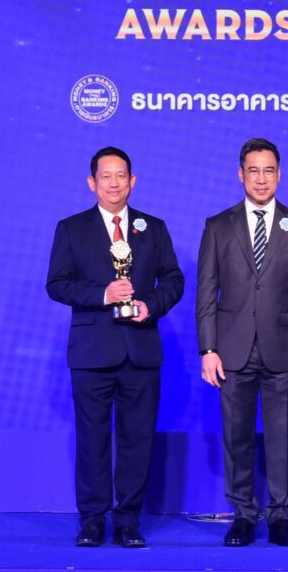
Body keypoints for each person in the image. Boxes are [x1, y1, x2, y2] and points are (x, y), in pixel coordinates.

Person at [46, 147, 184, 548]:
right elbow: (57, 285)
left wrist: (150, 305)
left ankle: (128, 521)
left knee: (137, 439)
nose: (113, 183)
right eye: (105, 176)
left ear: (132, 181)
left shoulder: (152, 228)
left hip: (140, 350)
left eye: (121, 175)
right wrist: (103, 294)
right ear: (92, 183)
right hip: (91, 352)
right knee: (92, 440)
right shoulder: (72, 228)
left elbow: (173, 280)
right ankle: (92, 520)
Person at [196, 138, 288, 547]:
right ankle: (244, 516)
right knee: (236, 437)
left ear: (279, 175)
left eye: (269, 170)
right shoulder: (218, 226)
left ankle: (281, 517)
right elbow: (206, 293)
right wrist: (208, 349)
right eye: (254, 170)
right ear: (240, 174)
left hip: (284, 348)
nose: (261, 179)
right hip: (231, 349)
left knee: (282, 436)